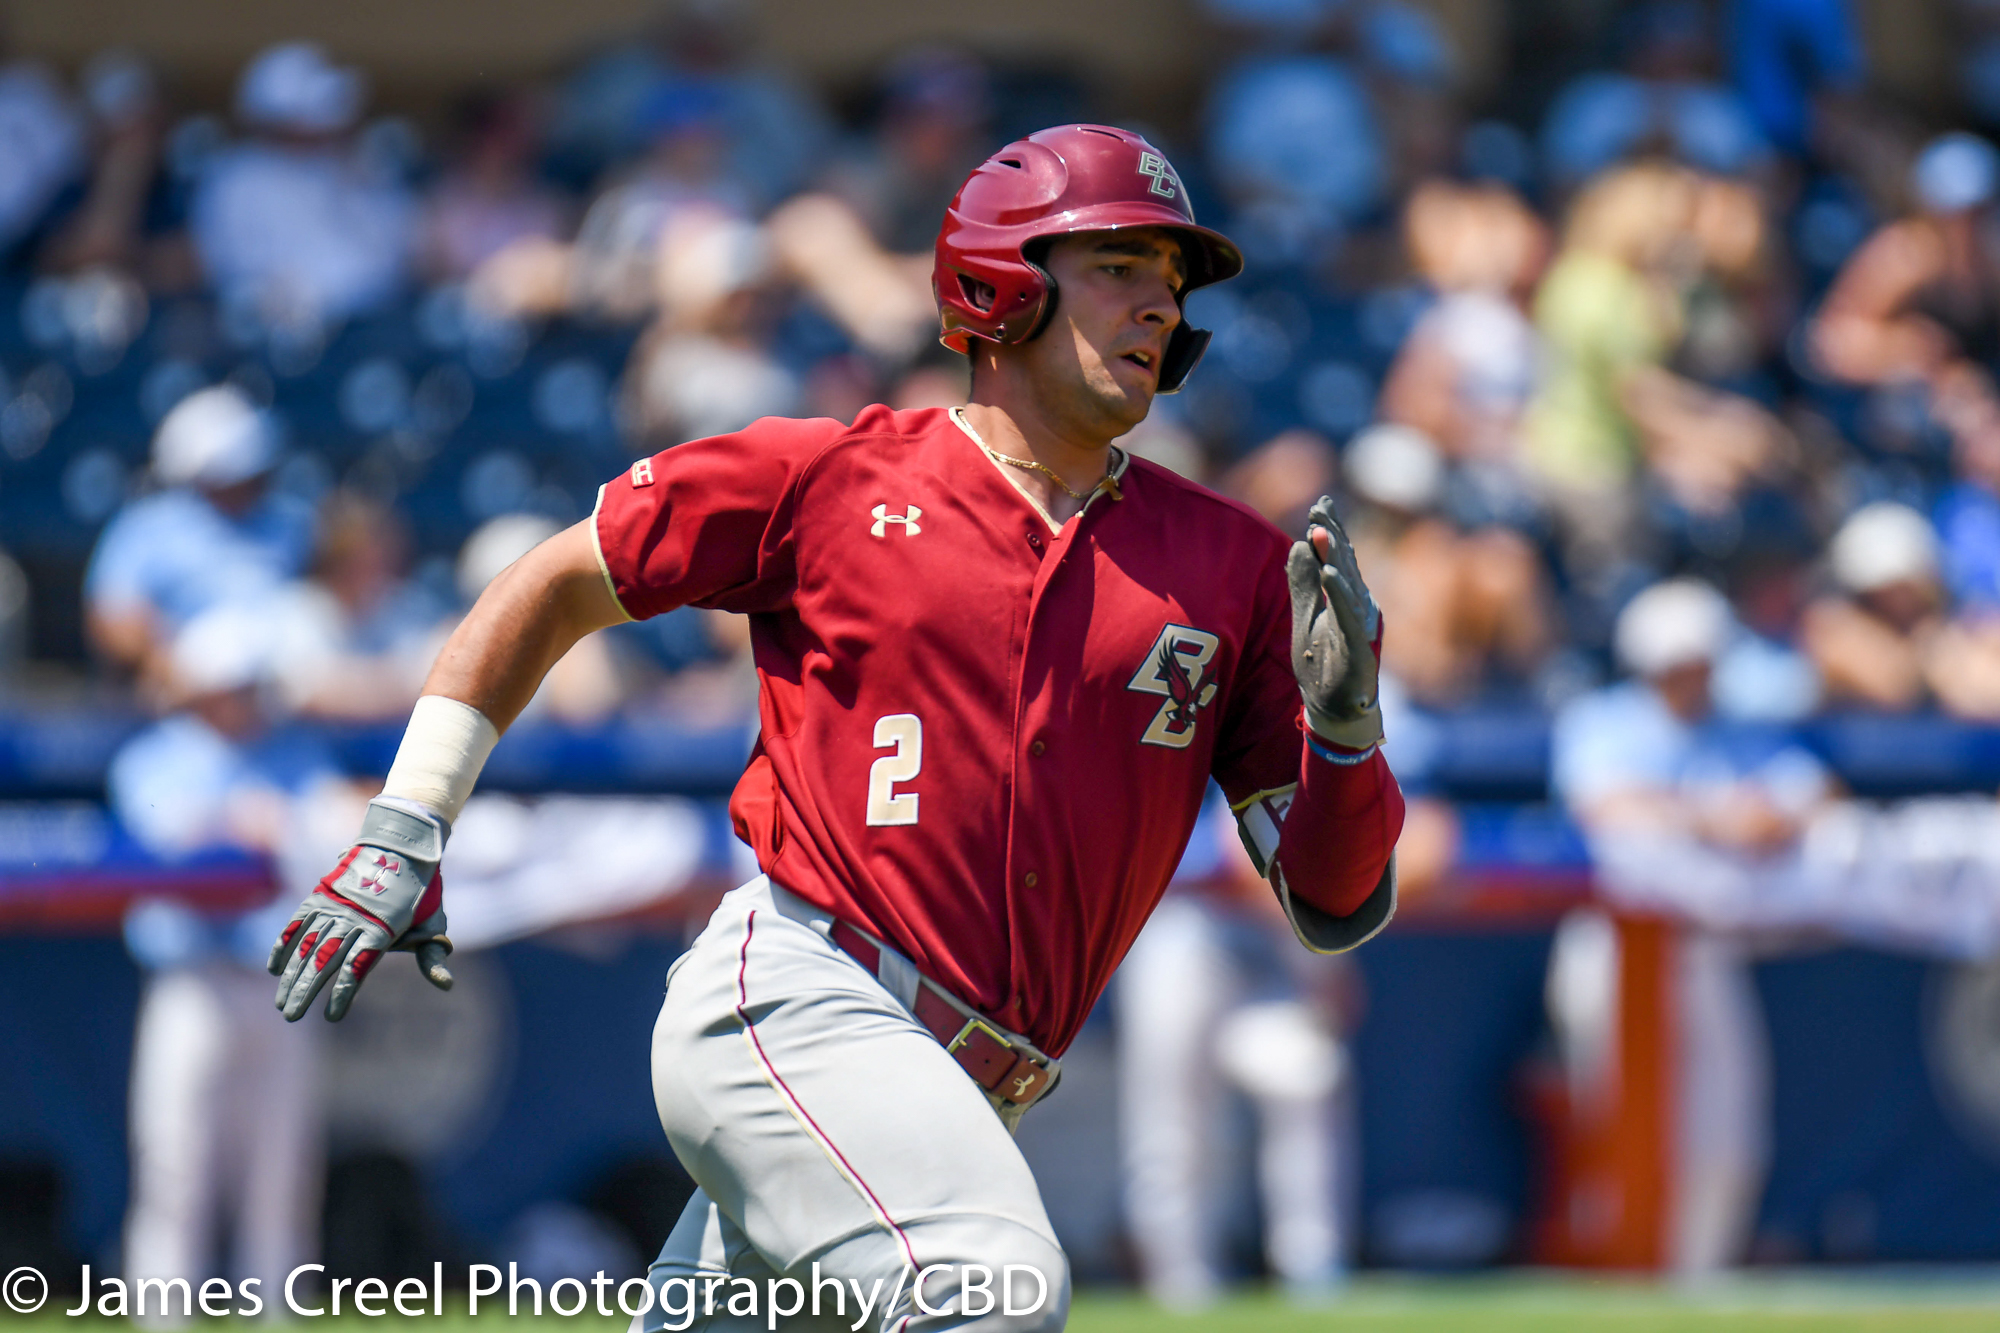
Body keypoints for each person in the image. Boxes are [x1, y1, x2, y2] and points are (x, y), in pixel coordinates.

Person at [261, 125, 1404, 1331]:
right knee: (993, 1287)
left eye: (1170, 280)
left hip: (962, 1091)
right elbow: (552, 582)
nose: (1158, 305)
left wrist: (1344, 732)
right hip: (802, 1000)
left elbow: (1334, 902)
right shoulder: (834, 476)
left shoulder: (1231, 563)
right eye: (1117, 265)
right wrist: (407, 821)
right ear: (1001, 285)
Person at [1551, 579, 1832, 1275]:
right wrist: (1716, 816)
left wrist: (1765, 814)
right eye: (1677, 662)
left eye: (1701, 662)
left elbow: (1819, 794)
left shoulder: (1739, 732)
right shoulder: (1602, 722)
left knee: (1727, 1130)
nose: (1690, 676)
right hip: (1614, 947)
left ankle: (1699, 1281)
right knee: (1612, 1123)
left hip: (1706, 949)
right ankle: (1616, 1281)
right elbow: (1605, 808)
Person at [114, 604, 355, 1321]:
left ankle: (274, 1310)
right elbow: (165, 836)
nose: (247, 698)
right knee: (173, 1162)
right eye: (233, 684)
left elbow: (336, 824)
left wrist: (285, 822)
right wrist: (237, 822)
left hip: (282, 979)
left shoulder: (293, 752)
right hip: (192, 978)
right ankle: (162, 1314)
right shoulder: (154, 756)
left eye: (252, 684)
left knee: (283, 1168)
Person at [83, 384, 314, 692]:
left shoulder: (293, 522)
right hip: (185, 690)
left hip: (288, 685)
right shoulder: (146, 526)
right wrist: (168, 666)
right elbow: (112, 616)